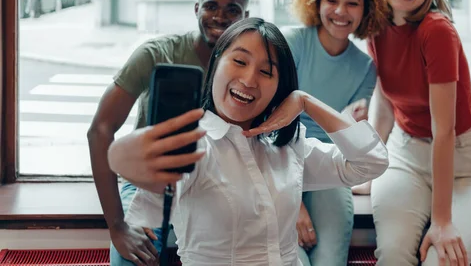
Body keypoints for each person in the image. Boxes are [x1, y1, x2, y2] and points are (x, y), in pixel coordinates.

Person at [107, 17, 389, 266]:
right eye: (239, 61)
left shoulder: (286, 144)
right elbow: (137, 176)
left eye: (267, 72)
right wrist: (122, 156)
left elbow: (371, 162)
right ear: (216, 63)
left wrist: (307, 102)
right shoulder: (194, 146)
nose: (249, 79)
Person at [87, 0, 250, 266]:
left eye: (232, 10)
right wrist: (118, 227)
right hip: (149, 180)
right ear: (197, 8)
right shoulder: (157, 53)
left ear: (245, 15)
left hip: (215, 182)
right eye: (211, 6)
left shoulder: (249, 67)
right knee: (131, 261)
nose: (220, 16)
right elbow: (100, 129)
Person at [354, 0, 471, 266]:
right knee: (392, 256)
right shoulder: (376, 27)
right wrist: (370, 167)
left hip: (465, 166)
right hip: (405, 156)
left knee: (441, 261)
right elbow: (384, 103)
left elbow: (444, 131)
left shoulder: (436, 31)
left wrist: (442, 221)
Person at [283, 0, 389, 266]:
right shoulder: (291, 44)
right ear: (316, 3)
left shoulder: (366, 68)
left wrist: (351, 124)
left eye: (352, 3)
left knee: (330, 259)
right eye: (332, 0)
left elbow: (349, 136)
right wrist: (294, 205)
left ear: (365, 11)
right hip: (278, 159)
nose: (341, 12)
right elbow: (267, 124)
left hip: (326, 165)